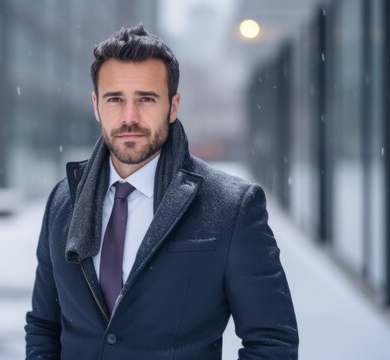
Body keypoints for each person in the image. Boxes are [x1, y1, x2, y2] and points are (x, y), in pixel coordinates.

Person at [25, 24, 298, 359]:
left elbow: (272, 342)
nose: (129, 117)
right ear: (96, 105)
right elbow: (43, 326)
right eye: (115, 99)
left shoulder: (233, 207)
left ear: (173, 105)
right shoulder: (62, 201)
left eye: (146, 99)